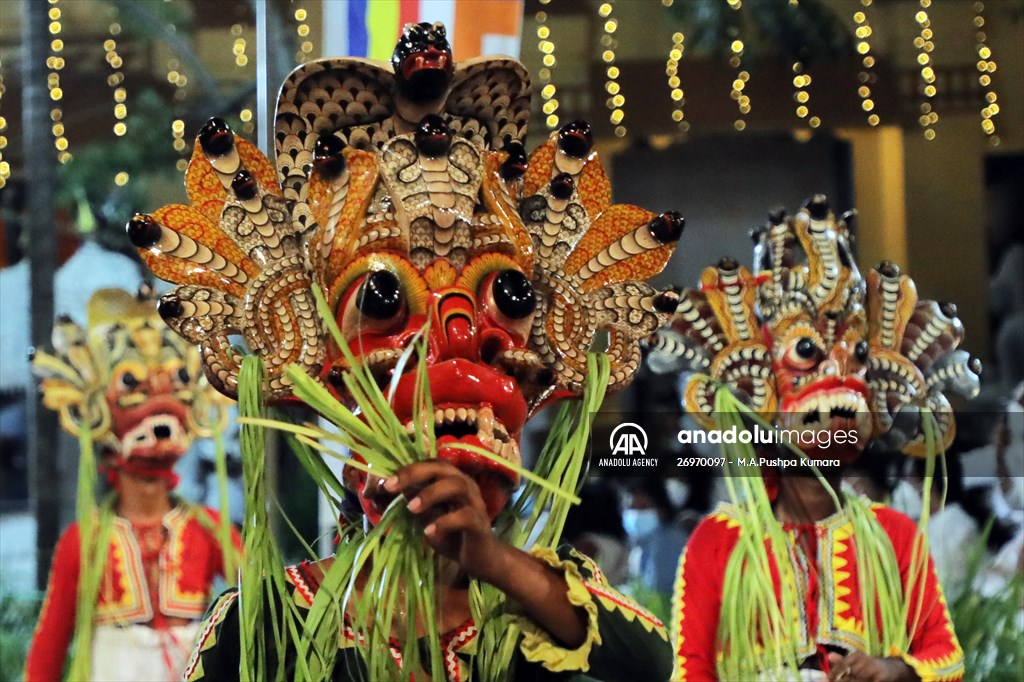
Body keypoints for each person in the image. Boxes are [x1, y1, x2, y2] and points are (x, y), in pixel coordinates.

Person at [130, 22, 685, 681]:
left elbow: (660, 668)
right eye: (387, 301)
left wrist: (494, 562)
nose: (458, 335)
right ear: (313, 355)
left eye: (505, 298)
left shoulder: (541, 603)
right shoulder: (271, 619)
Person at [648, 198, 978, 680]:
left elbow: (947, 658)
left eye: (856, 357)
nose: (838, 371)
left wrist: (892, 669)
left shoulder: (895, 536)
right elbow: (689, 672)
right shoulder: (718, 543)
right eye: (807, 355)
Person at [24, 288, 240, 682]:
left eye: (174, 381)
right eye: (133, 384)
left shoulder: (210, 529)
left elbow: (265, 610)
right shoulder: (82, 541)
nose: (160, 399)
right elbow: (49, 649)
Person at [624, 478, 687, 597]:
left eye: (643, 507)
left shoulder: (668, 541)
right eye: (632, 507)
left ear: (661, 510)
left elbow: (660, 595)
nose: (636, 514)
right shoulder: (644, 543)